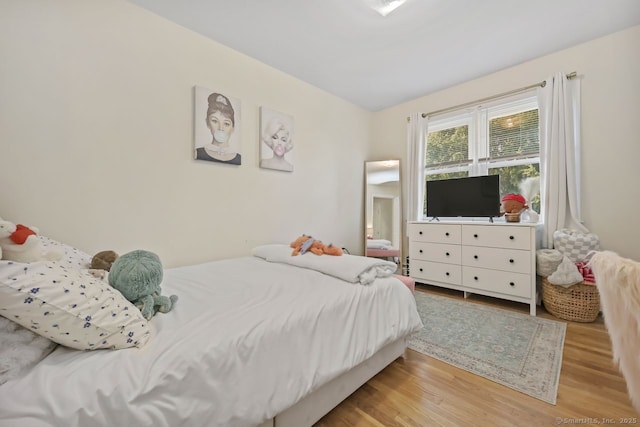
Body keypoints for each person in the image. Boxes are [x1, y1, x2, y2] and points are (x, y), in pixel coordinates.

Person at [195, 92, 241, 165]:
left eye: (226, 123)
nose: (220, 128)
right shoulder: (198, 153)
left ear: (233, 128)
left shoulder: (239, 158)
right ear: (207, 123)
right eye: (215, 121)